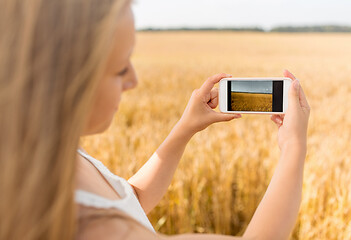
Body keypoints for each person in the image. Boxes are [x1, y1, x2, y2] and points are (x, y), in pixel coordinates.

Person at [0, 0, 310, 239]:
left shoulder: (49, 159)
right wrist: (293, 146)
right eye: (121, 68)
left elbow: (129, 200)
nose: (133, 80)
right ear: (64, 80)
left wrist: (185, 128)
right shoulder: (94, 228)